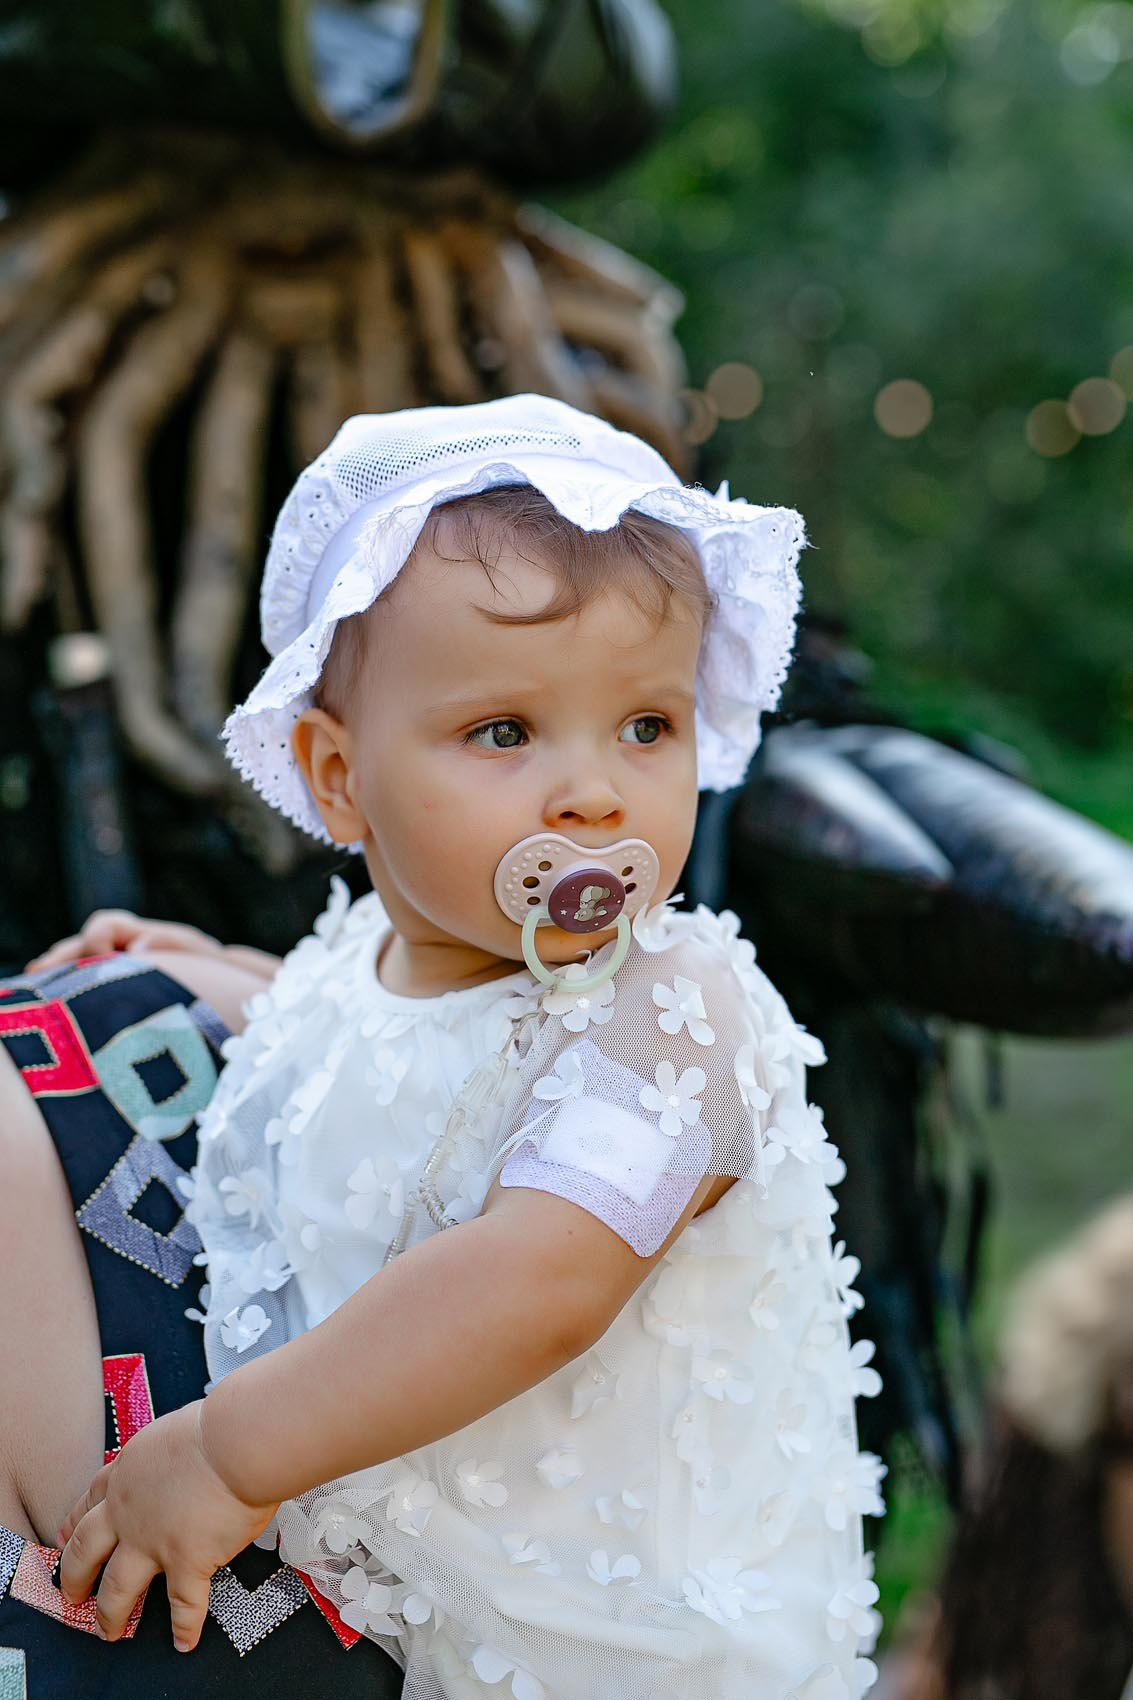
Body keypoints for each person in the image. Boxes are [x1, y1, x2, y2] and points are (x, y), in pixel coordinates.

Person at [30, 394, 882, 1699]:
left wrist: (226, 1458)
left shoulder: (675, 1010)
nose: (595, 792)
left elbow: (539, 1279)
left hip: (631, 1659)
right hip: (425, 1619)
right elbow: (367, 1055)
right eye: (505, 731)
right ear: (335, 778)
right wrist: (201, 971)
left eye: (644, 726)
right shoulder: (372, 962)